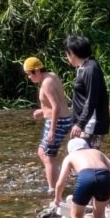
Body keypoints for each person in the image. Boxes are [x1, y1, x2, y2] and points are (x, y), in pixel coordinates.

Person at [24, 57, 73, 193]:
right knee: (42, 152)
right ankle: (58, 182)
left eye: (29, 73)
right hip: (62, 119)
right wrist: (42, 111)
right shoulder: (51, 76)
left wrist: (52, 130)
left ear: (37, 70)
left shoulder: (46, 83)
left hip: (57, 122)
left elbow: (56, 106)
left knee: (48, 156)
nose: (28, 77)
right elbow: (57, 103)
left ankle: (53, 190)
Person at [63, 35, 110, 149]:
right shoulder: (83, 67)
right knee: (86, 157)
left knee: (86, 157)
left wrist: (80, 124)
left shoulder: (90, 69)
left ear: (72, 53)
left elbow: (91, 99)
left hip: (91, 124)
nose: (66, 57)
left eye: (66, 54)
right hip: (86, 123)